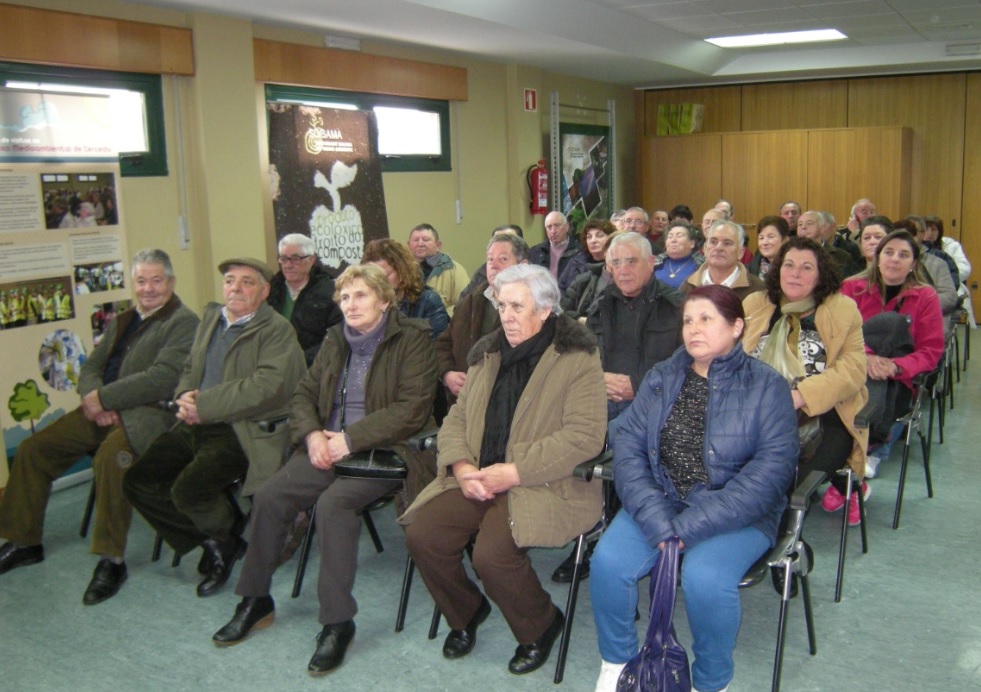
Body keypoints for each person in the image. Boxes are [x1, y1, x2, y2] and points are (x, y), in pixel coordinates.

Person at [212, 264, 438, 677]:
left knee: (334, 506)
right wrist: (314, 435)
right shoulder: (336, 340)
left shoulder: (414, 339)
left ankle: (337, 622)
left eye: (361, 296)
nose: (350, 305)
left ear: (385, 301)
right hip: (327, 447)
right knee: (269, 495)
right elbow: (302, 395)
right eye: (345, 297)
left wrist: (349, 440)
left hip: (384, 451)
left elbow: (412, 409)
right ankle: (255, 598)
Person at [590, 285, 799, 692]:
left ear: (737, 326)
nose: (693, 329)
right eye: (688, 320)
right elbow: (629, 445)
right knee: (609, 563)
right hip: (661, 500)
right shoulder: (663, 376)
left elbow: (770, 474)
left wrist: (689, 528)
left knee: (705, 578)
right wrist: (654, 515)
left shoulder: (767, 387)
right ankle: (616, 664)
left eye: (706, 319)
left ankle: (711, 681)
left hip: (736, 513)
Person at [401, 264, 606, 676]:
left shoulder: (577, 358)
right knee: (422, 532)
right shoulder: (487, 352)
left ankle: (541, 624)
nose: (506, 315)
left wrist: (513, 472)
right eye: (502, 305)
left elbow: (585, 437)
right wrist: (460, 466)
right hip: (476, 475)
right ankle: (466, 611)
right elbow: (457, 417)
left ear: (546, 310)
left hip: (544, 482)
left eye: (518, 306)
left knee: (491, 555)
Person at [0, 250, 199, 604]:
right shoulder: (123, 319)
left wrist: (104, 399)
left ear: (170, 282)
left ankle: (112, 560)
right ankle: (23, 541)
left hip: (149, 414)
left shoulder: (184, 323)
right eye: (141, 281)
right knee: (33, 450)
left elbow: (163, 378)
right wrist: (93, 398)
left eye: (156, 280)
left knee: (111, 458)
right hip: (102, 410)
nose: (148, 288)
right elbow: (91, 365)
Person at [123, 258, 306, 598]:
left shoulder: (277, 331)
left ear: (265, 291)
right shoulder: (211, 318)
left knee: (187, 490)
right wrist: (184, 396)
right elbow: (192, 365)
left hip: (242, 429)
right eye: (230, 281)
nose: (235, 288)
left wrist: (203, 405)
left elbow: (266, 386)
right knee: (138, 480)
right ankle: (221, 539)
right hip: (195, 421)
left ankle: (220, 537)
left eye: (247, 282)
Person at [743, 237, 870, 526]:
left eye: (806, 267)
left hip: (825, 414)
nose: (795, 274)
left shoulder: (842, 309)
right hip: (757, 411)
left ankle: (778, 547)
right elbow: (734, 357)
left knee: (787, 481)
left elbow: (853, 369)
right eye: (788, 265)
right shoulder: (756, 304)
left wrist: (800, 396)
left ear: (821, 274)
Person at [840, 229, 944, 478]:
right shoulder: (851, 288)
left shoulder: (926, 296)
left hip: (899, 378)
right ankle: (847, 454)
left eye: (903, 255)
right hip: (853, 368)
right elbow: (839, 335)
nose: (895, 259)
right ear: (877, 257)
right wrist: (866, 358)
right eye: (888, 252)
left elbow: (931, 351)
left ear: (913, 264)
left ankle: (870, 452)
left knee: (884, 393)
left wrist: (895, 367)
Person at [437, 234, 529, 405]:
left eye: (503, 259)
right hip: (466, 403)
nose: (493, 265)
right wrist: (447, 373)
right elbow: (443, 344)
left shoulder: (535, 308)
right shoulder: (469, 303)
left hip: (510, 404)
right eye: (489, 259)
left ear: (522, 266)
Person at [266, 233, 343, 366]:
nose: (288, 265)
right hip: (273, 367)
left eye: (296, 259)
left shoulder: (330, 292)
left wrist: (300, 359)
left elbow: (337, 338)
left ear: (311, 260)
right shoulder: (269, 290)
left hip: (314, 368)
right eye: (284, 259)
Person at [362, 238, 449, 339]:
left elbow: (438, 348)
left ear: (401, 271)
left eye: (385, 276)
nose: (379, 283)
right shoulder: (364, 305)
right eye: (372, 277)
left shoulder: (428, 301)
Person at [685, 220, 765, 300]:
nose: (718, 248)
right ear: (705, 248)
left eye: (727, 243)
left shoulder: (757, 289)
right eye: (713, 242)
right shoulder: (688, 285)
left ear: (740, 252)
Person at [408, 223, 470, 317]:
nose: (420, 244)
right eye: (416, 240)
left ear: (438, 245)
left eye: (426, 240)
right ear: (408, 245)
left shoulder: (454, 270)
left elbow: (466, 302)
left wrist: (440, 317)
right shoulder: (401, 271)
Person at [460, 224, 524, 299]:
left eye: (503, 259)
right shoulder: (481, 274)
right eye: (497, 240)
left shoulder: (535, 285)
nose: (494, 265)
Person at [797, 211, 863, 277]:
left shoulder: (843, 256)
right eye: (800, 224)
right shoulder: (789, 252)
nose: (803, 227)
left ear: (822, 228)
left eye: (809, 223)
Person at [557, 219, 614, 293]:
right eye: (589, 237)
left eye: (599, 236)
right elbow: (560, 288)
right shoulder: (575, 262)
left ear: (610, 238)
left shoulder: (615, 264)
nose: (593, 241)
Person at [529, 211, 581, 280]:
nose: (553, 231)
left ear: (566, 227)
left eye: (557, 225)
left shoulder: (579, 252)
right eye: (549, 227)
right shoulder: (535, 252)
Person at [654, 220, 702, 289]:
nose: (673, 240)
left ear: (692, 243)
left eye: (679, 236)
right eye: (670, 236)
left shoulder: (701, 265)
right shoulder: (654, 263)